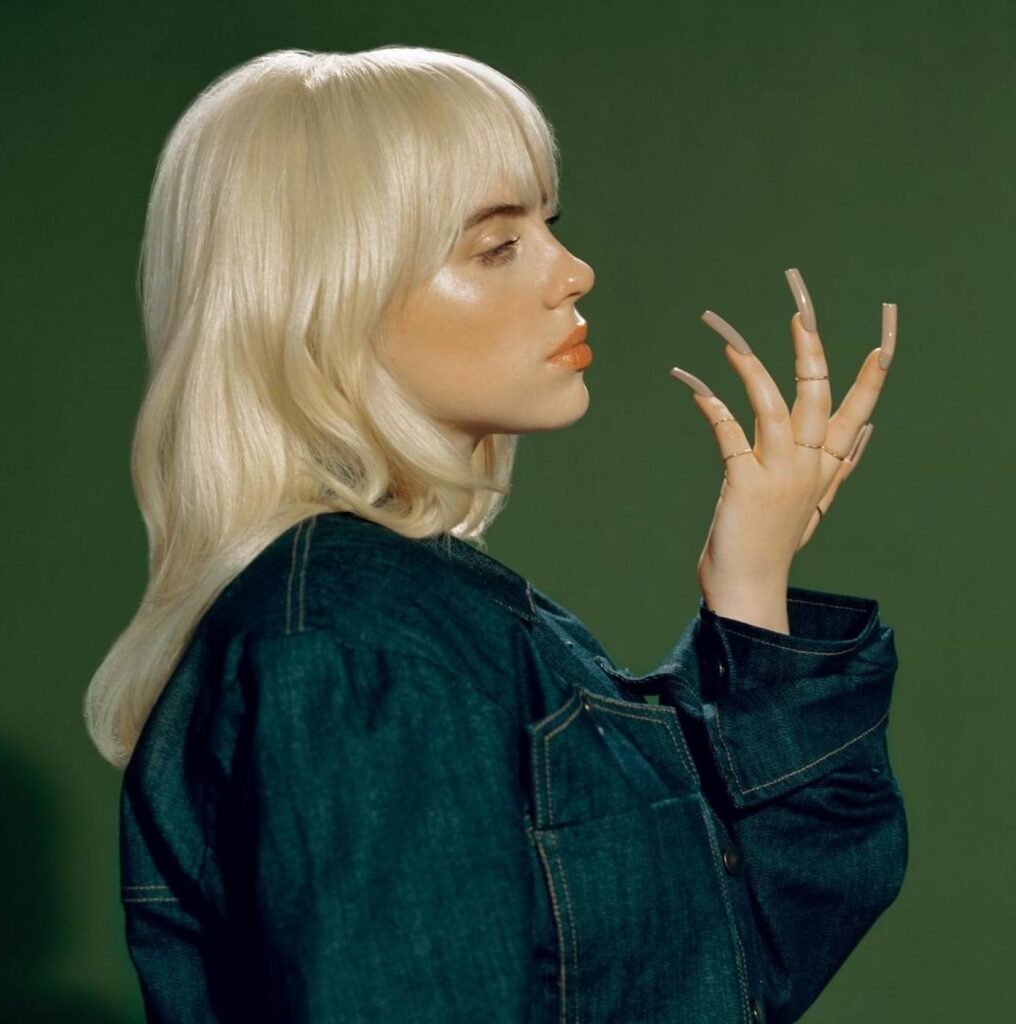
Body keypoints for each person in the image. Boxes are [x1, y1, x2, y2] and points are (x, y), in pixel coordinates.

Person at [84, 45, 907, 1024]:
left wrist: (751, 586)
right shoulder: (357, 643)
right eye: (495, 245)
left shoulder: (431, 613)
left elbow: (733, 971)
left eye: (547, 226)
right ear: (324, 302)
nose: (575, 272)